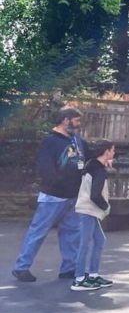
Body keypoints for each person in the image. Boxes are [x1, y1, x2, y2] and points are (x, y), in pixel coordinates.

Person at [11, 107, 91, 282]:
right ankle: (21, 267)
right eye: (76, 121)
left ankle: (69, 268)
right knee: (38, 231)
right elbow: (46, 168)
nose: (78, 124)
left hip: (73, 196)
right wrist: (58, 183)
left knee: (72, 233)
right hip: (53, 196)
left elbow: (89, 159)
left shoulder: (77, 140)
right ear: (65, 120)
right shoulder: (50, 142)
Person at [71, 141, 115, 291]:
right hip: (88, 209)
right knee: (85, 243)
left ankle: (93, 275)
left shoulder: (93, 164)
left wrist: (106, 165)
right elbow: (95, 195)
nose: (114, 153)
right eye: (112, 150)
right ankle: (79, 279)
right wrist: (106, 207)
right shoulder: (99, 170)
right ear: (107, 151)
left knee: (99, 239)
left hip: (89, 209)